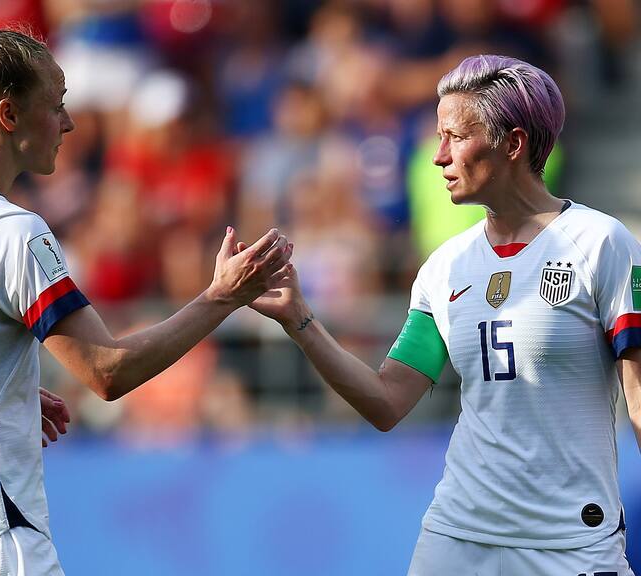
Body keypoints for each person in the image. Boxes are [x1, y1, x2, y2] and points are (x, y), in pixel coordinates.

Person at [0, 18, 292, 575]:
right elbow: (107, 371)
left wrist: (4, 388)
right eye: (57, 103)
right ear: (9, 115)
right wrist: (220, 296)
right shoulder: (9, 232)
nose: (69, 123)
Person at [248, 54, 641, 575]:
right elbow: (387, 401)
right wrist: (300, 320)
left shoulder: (602, 243)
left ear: (513, 143)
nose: (437, 156)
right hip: (458, 535)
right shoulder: (445, 267)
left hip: (572, 542)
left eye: (454, 136)